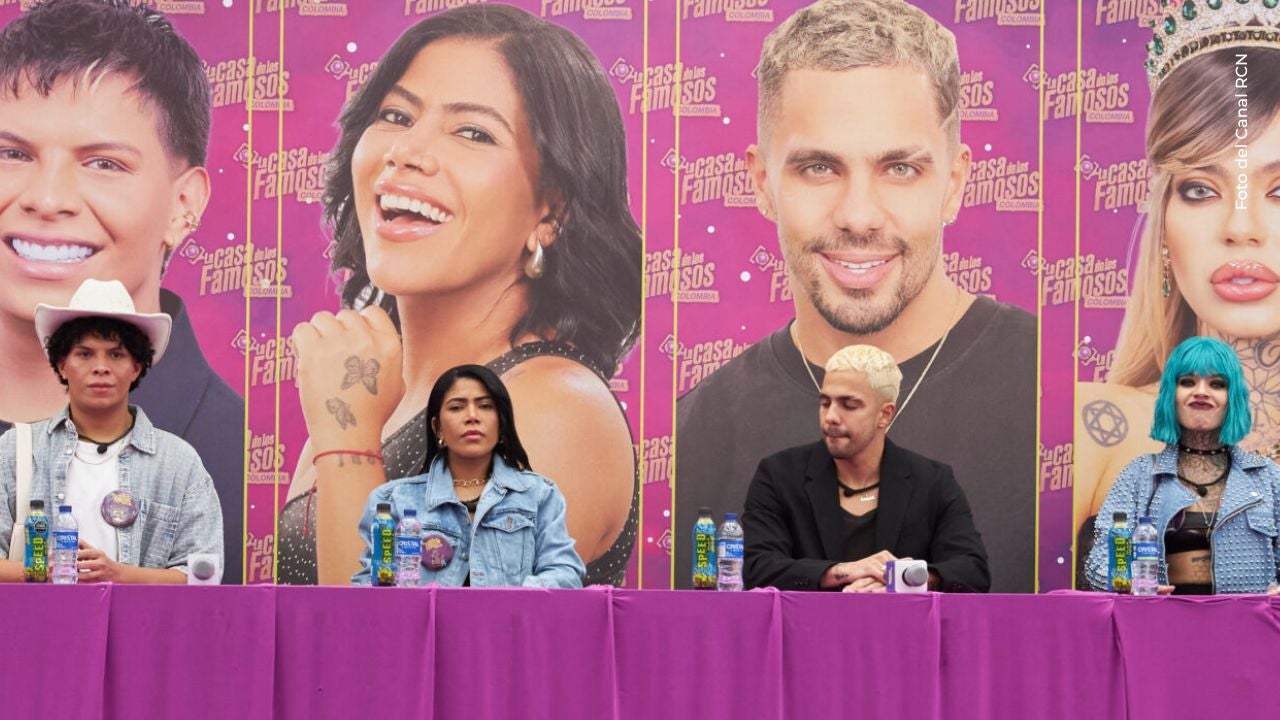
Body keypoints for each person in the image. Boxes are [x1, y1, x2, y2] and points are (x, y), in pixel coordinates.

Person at [676, 0, 1035, 591]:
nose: (859, 216)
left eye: (900, 168)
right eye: (819, 167)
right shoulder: (695, 431)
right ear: (762, 183)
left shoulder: (1051, 387)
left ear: (954, 183)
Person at [284, 4, 640, 586]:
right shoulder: (374, 392)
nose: (406, 151)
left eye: (473, 132)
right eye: (396, 115)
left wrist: (347, 442)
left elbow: (394, 640)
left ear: (552, 210)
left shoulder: (556, 409)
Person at [0, 0, 244, 582]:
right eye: (12, 154)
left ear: (182, 205)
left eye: (104, 163)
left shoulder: (232, 449)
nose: (47, 199)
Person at [1075, 6, 1280, 583]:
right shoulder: (1100, 424)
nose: (1240, 227)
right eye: (1200, 189)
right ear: (1164, 226)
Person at [0, 279, 223, 583]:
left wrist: (120, 575)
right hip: (42, 616)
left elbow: (204, 575)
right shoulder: (16, 450)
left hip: (140, 616)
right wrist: (40, 571)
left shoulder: (178, 462)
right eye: (85, 354)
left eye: (116, 355)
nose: (101, 367)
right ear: (62, 364)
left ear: (137, 367)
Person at [743, 345, 988, 592]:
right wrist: (841, 572)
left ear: (885, 414)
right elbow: (758, 568)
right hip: (807, 617)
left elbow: (972, 571)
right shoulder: (779, 475)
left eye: (849, 405)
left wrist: (904, 579)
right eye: (825, 403)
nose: (831, 416)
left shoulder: (932, 482)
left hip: (901, 618)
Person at [353, 365, 583, 587]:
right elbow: (371, 586)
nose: (472, 416)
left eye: (485, 406)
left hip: (510, 616)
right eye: (456, 407)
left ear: (501, 423)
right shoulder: (393, 500)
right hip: (424, 617)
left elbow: (565, 573)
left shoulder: (538, 495)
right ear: (437, 428)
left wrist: (513, 600)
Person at [1085, 337, 1280, 594]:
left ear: (1233, 398)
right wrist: (1128, 585)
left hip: (1247, 619)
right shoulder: (1139, 475)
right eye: (1187, 382)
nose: (1201, 391)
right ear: (1170, 395)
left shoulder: (1268, 476)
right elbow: (1099, 562)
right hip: (1161, 618)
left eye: (1217, 384)